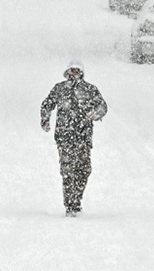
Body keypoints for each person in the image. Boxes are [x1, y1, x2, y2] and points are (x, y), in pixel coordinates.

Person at [40, 61, 108, 216]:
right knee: (68, 171)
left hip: (83, 137)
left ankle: (76, 198)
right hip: (64, 137)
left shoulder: (90, 90)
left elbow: (103, 106)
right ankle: (70, 205)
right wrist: (45, 120)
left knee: (84, 170)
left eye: (77, 71)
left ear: (82, 72)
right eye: (72, 71)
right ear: (67, 72)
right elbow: (47, 104)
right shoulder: (60, 89)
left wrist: (95, 114)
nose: (74, 73)